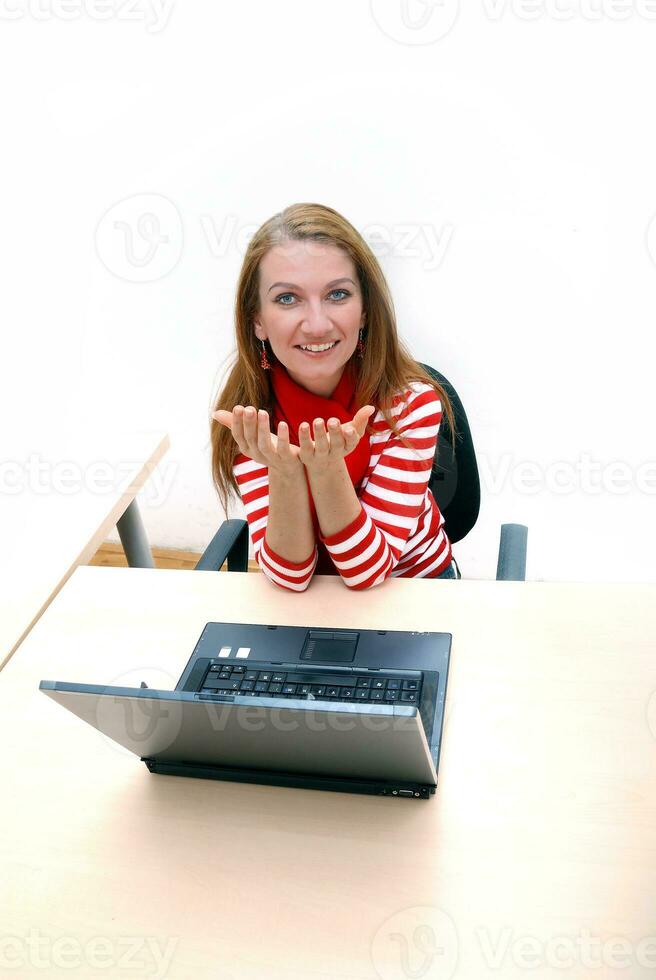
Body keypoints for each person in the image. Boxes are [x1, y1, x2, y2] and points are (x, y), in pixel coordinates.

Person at [210, 202, 460, 591]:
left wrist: (326, 469)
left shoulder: (410, 404)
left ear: (364, 312)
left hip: (417, 588)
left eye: (338, 294)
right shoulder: (249, 419)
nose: (317, 324)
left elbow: (368, 573)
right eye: (287, 299)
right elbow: (290, 577)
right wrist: (287, 471)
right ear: (257, 320)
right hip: (309, 602)